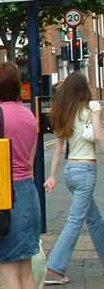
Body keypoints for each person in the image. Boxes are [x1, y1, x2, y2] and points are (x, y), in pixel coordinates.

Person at [0, 62, 39, 289]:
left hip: (5, 198)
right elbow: (30, 162)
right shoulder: (29, 116)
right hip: (28, 195)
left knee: (7, 271)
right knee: (26, 270)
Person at [44, 72, 104, 285]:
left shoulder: (65, 112)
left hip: (70, 171)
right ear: (84, 88)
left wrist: (52, 176)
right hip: (86, 172)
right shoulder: (92, 108)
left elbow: (59, 148)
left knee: (95, 220)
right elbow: (98, 136)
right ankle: (54, 269)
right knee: (75, 221)